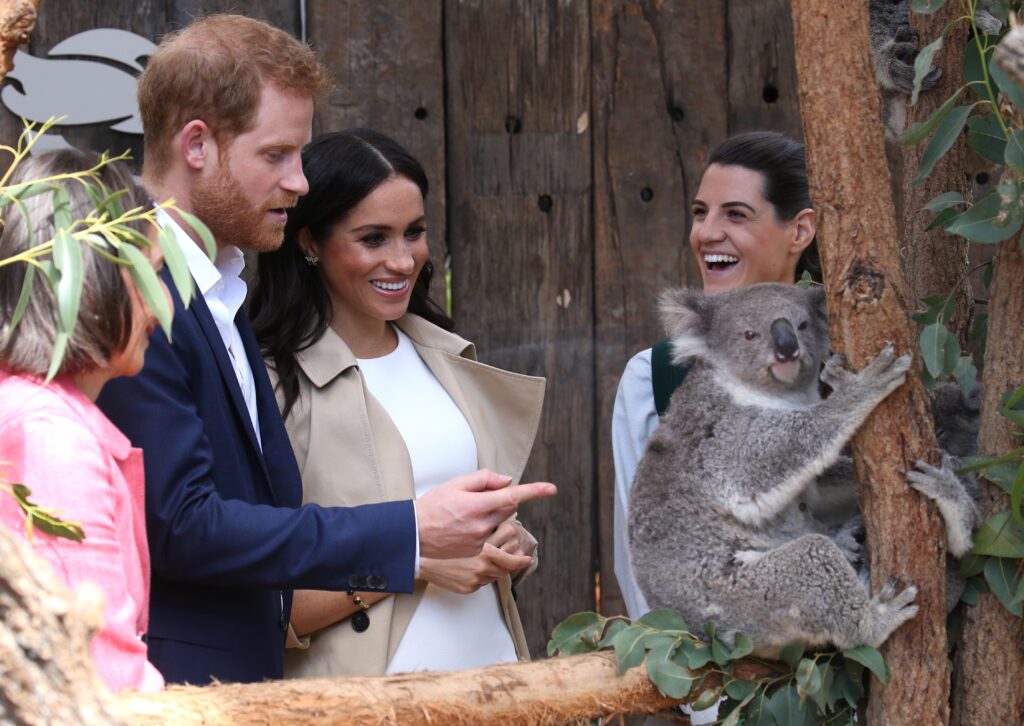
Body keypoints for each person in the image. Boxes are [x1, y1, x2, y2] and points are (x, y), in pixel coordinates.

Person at [96, 15, 555, 685]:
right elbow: (183, 526)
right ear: (196, 145)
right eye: (277, 155)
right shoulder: (136, 289)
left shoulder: (219, 292)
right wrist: (412, 536)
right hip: (182, 692)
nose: (300, 182)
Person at [250, 129, 544, 677]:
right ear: (311, 242)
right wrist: (414, 566)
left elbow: (474, 532)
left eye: (414, 232)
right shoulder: (269, 383)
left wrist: (510, 544)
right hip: (367, 699)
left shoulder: (446, 358)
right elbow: (263, 599)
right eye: (374, 238)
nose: (404, 260)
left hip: (495, 678)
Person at [612, 131, 818, 620]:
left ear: (800, 231)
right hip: (713, 681)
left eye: (735, 215)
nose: (706, 232)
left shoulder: (854, 365)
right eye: (700, 212)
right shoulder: (655, 377)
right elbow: (643, 559)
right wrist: (698, 693)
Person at [0, 149, 167, 692]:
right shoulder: (50, 439)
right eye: (150, 275)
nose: (164, 304)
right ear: (89, 278)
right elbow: (100, 675)